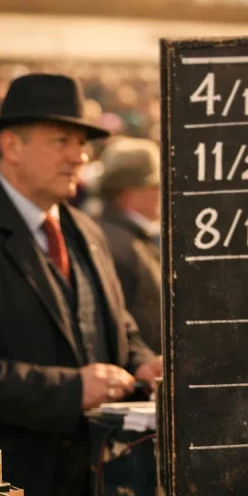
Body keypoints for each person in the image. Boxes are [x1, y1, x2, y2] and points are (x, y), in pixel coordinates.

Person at [0, 73, 162, 496]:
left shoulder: (84, 229)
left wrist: (144, 365)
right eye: (62, 141)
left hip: (97, 490)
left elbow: (115, 324)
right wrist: (71, 390)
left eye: (82, 143)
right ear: (11, 146)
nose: (80, 156)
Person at [98, 138, 163, 353]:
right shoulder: (119, 244)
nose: (161, 192)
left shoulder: (129, 236)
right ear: (127, 191)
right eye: (154, 185)